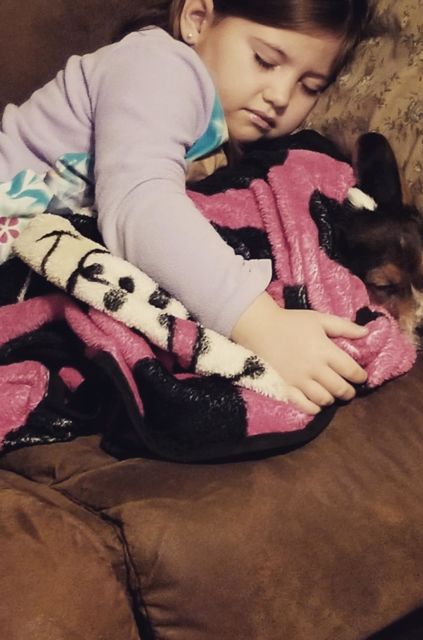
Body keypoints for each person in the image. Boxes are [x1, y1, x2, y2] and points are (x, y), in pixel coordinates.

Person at [0, 0, 372, 415]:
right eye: (265, 60)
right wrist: (259, 321)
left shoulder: (220, 125)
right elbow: (141, 204)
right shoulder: (160, 66)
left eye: (310, 86)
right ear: (197, 19)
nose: (281, 97)